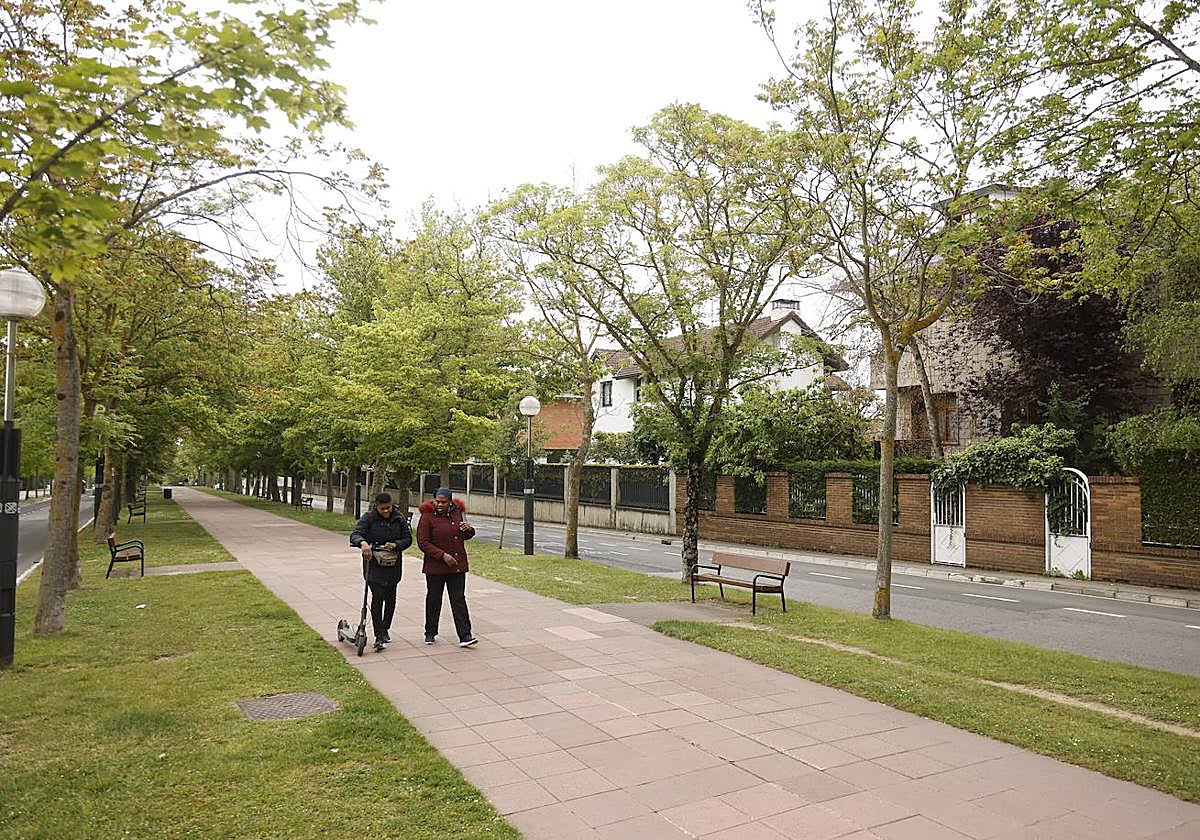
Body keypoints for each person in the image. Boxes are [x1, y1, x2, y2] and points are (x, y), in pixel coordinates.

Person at [349, 492, 413, 650]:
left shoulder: (398, 518)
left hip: (393, 564)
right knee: (377, 598)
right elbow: (355, 534)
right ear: (376, 507)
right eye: (382, 508)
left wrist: (396, 545)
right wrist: (363, 543)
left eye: (388, 508)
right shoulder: (368, 518)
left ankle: (385, 629)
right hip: (374, 565)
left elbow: (408, 538)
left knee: (391, 598)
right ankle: (378, 635)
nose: (386, 511)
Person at [416, 487, 477, 647]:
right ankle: (430, 632)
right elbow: (423, 542)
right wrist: (442, 556)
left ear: (450, 502)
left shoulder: (457, 512)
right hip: (435, 566)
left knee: (458, 599)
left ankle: (465, 635)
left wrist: (469, 530)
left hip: (457, 565)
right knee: (434, 599)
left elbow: (463, 535)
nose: (440, 505)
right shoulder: (427, 516)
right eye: (437, 501)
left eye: (443, 502)